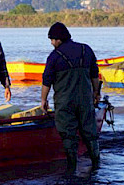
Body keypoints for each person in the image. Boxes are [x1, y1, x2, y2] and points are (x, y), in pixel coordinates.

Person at [40, 22, 101, 173]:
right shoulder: (85, 49)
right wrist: (96, 93)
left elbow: (46, 81)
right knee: (90, 134)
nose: (51, 43)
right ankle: (96, 165)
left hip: (65, 103)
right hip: (85, 101)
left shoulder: (54, 56)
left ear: (58, 40)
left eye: (52, 40)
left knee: (68, 135)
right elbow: (94, 74)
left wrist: (43, 100)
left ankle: (72, 168)